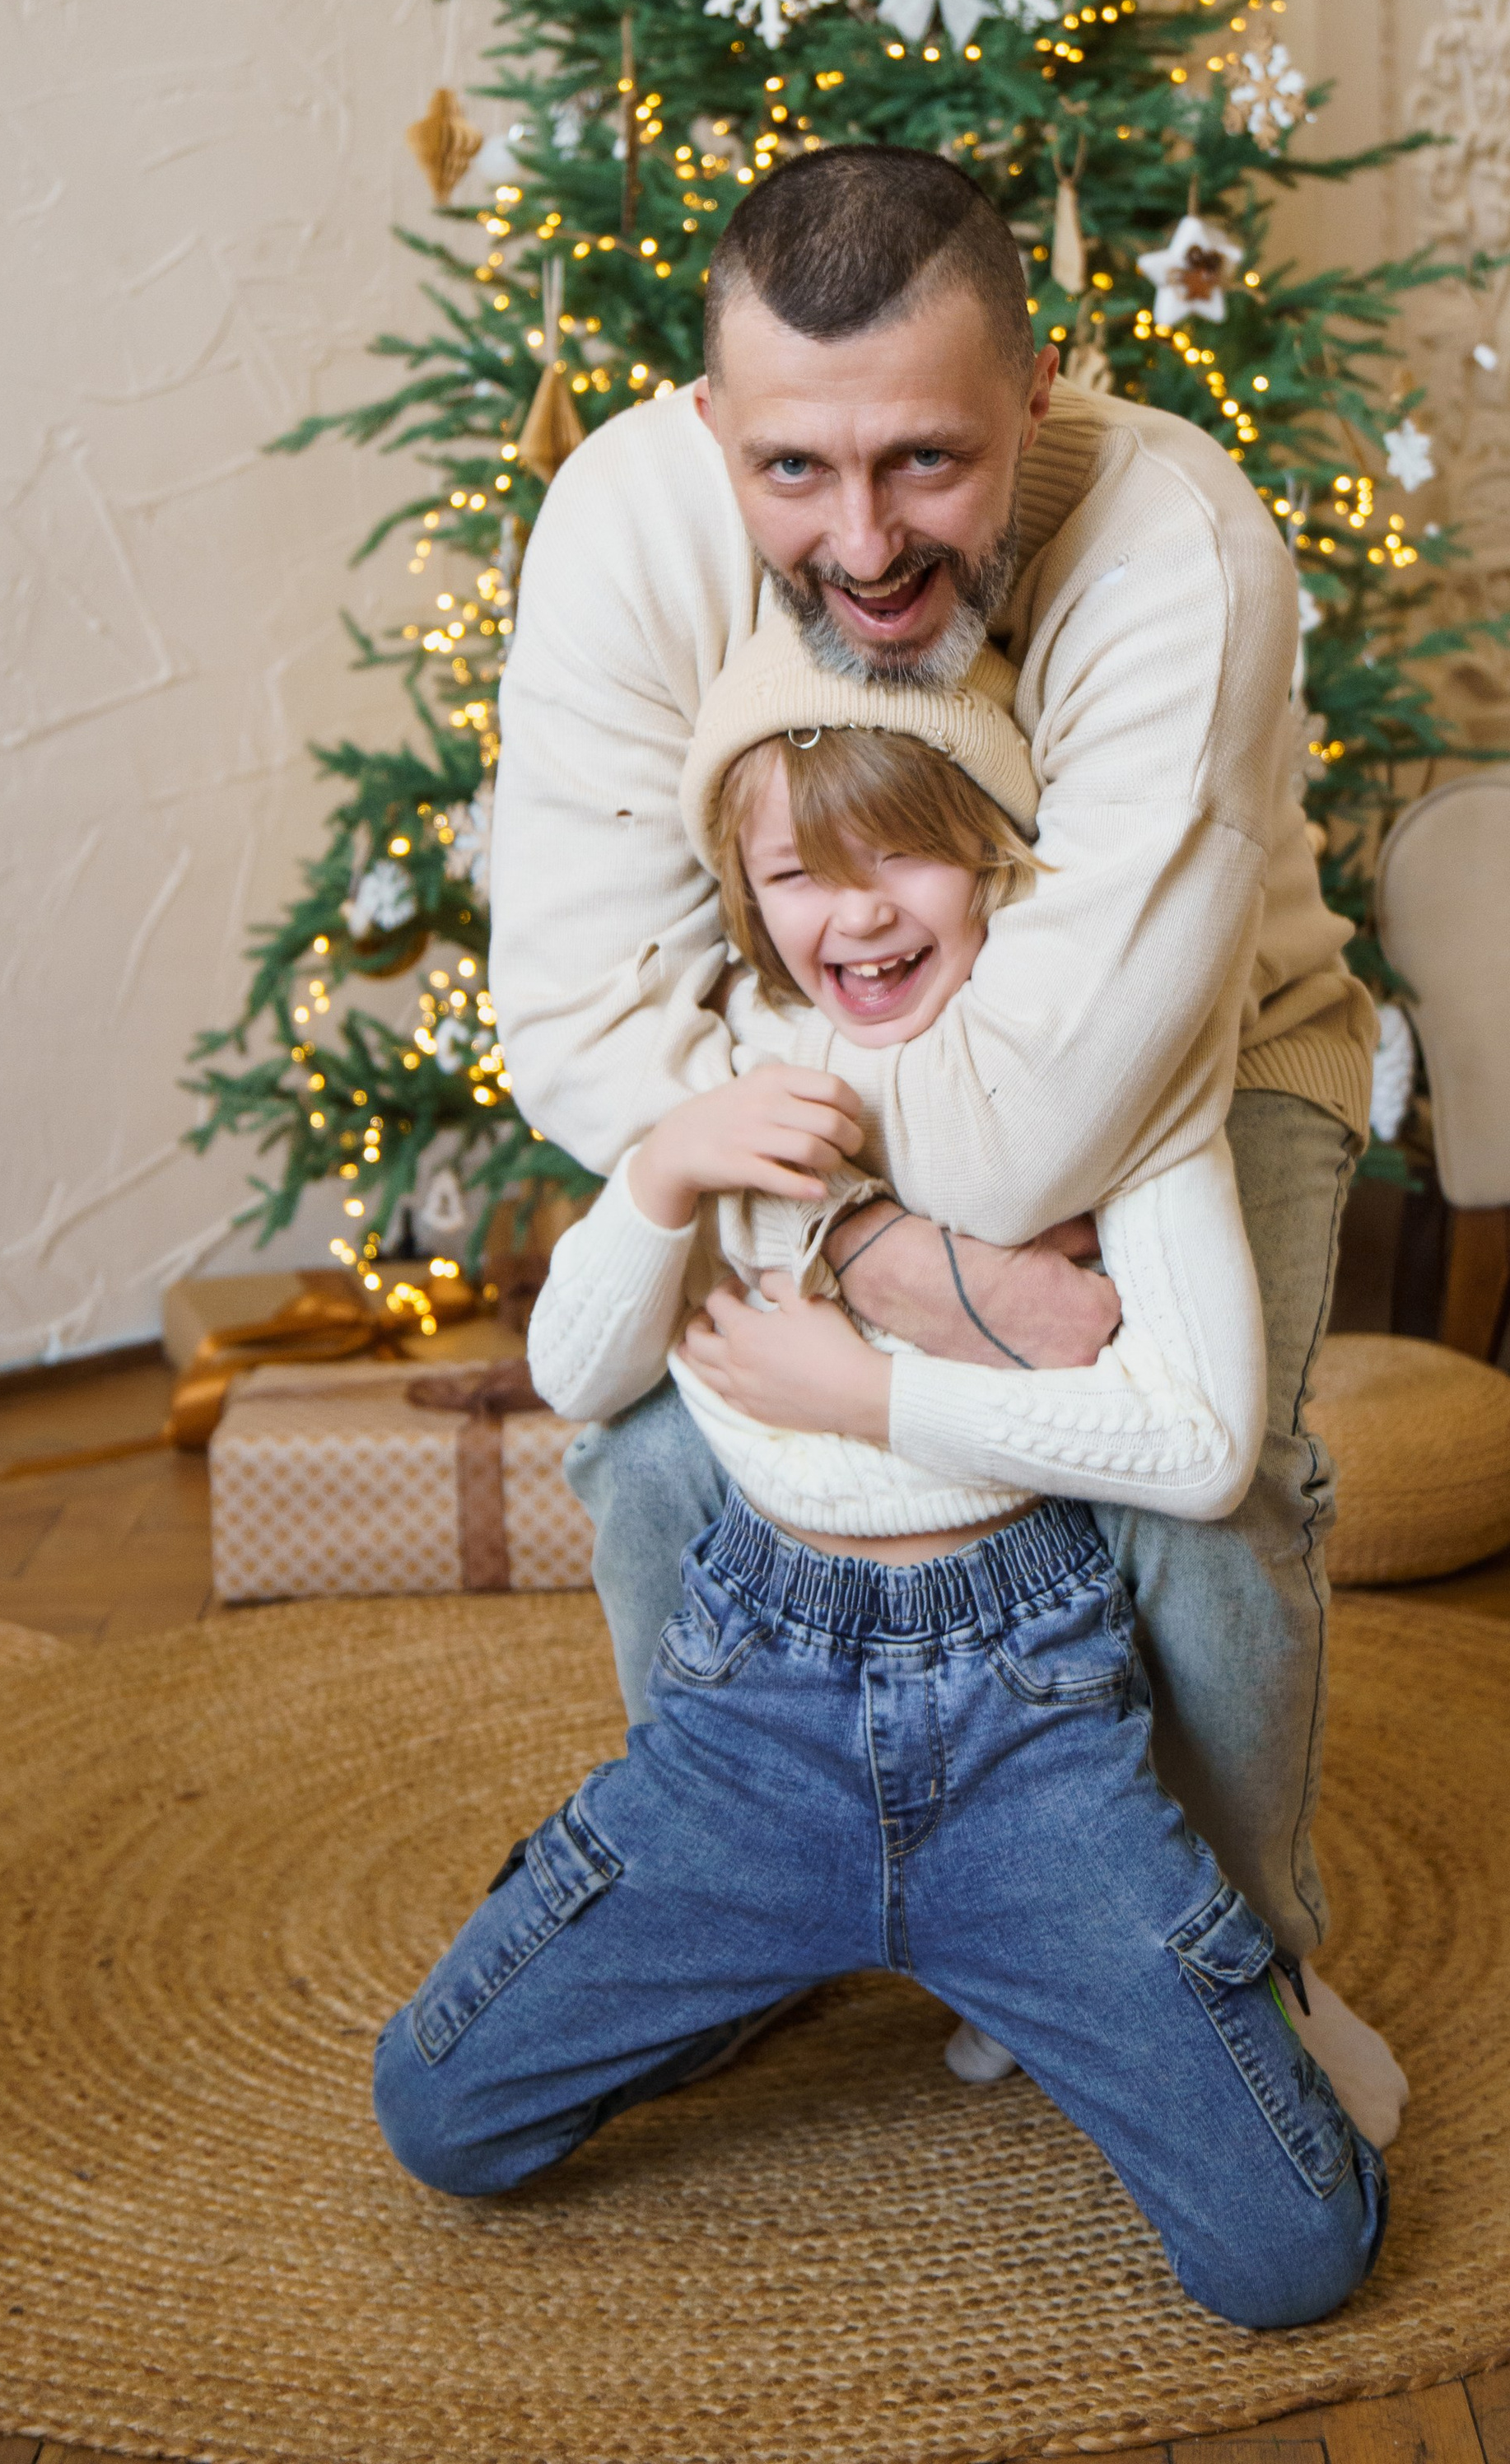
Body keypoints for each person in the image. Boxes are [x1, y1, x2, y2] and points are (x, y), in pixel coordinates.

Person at [374, 649, 1391, 2331]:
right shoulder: (725, 1072)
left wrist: (869, 1391)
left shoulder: (1108, 1079)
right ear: (741, 887)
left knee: (1287, 2258)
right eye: (793, 870)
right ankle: (719, 1935)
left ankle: (1172, 1976)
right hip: (752, 1708)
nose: (850, 914)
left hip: (1027, 1720)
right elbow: (576, 1373)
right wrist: (663, 1167)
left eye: (900, 853)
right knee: (443, 2110)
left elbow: (1203, 1444)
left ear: (995, 850)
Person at [489, 145, 1379, 2014]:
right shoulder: (616, 529)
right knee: (649, 1449)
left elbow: (1056, 1101)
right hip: (792, 1085)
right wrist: (896, 1256)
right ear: (707, 419)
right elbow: (577, 1014)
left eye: (926, 460)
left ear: (1035, 384)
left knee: (1203, 1503)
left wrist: (841, 1226)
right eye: (790, 467)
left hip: (1207, 1045)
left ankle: (1230, 1978)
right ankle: (742, 1893)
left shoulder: (1181, 547)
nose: (864, 542)